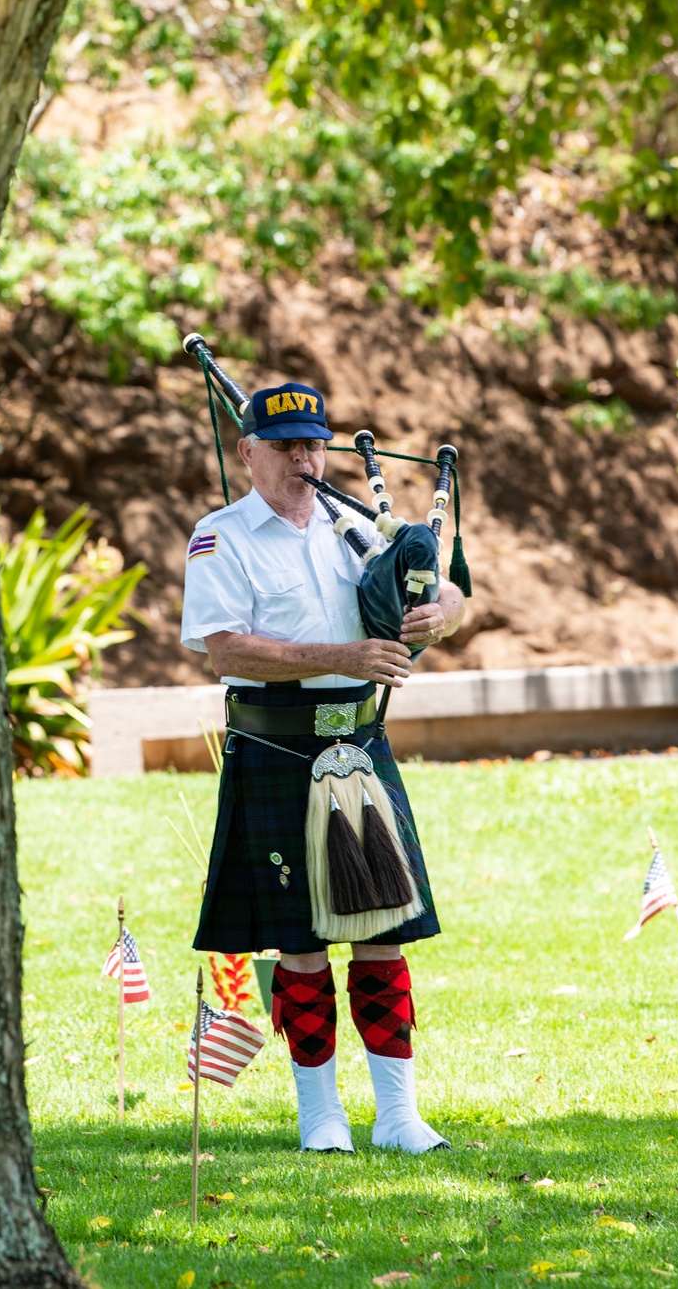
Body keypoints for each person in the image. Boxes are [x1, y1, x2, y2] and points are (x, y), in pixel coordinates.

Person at [181, 380, 466, 1154]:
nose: (303, 459)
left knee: (383, 930)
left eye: (312, 444)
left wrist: (443, 609)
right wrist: (347, 655)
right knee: (299, 939)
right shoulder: (222, 536)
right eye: (283, 447)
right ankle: (321, 1117)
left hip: (361, 746)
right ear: (247, 454)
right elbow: (227, 650)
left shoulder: (355, 526)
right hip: (276, 747)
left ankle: (399, 1116)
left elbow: (439, 589)